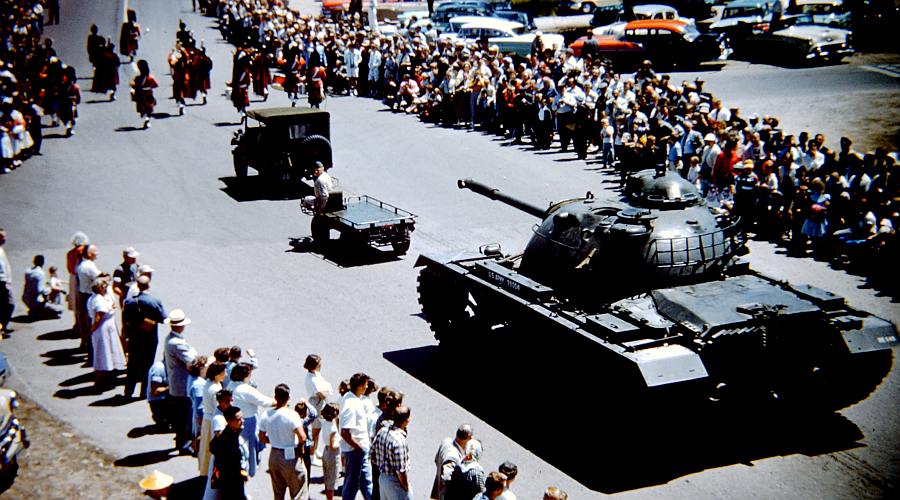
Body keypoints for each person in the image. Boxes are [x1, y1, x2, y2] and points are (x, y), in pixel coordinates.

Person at [259, 384, 309, 500]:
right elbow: (302, 437)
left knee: (278, 493)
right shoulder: (292, 415)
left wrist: (274, 441)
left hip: (274, 455)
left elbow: (261, 437)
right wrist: (298, 447)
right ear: (289, 398)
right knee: (299, 493)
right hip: (290, 454)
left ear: (275, 397)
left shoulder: (266, 415)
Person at [122, 274, 166, 398]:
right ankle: (143, 392)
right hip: (149, 338)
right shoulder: (155, 301)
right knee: (147, 364)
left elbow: (125, 320)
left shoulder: (129, 302)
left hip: (135, 338)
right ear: (148, 285)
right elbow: (163, 318)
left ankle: (128, 392)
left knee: (132, 364)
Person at [228, 362, 274, 477]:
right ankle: (248, 471)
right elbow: (263, 401)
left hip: (235, 420)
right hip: (248, 421)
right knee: (250, 446)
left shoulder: (231, 385)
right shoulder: (245, 389)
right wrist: (277, 402)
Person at [163, 308, 198, 454]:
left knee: (182, 416)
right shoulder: (177, 343)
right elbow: (192, 359)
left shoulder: (171, 339)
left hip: (176, 382)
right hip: (181, 384)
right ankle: (184, 445)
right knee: (185, 416)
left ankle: (182, 441)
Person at [88, 276, 127, 388]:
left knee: (109, 351)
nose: (105, 287)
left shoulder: (101, 297)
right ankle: (99, 380)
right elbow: (98, 317)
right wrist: (92, 329)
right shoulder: (98, 300)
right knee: (102, 353)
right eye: (103, 285)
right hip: (102, 329)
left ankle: (107, 377)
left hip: (107, 327)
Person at [340, 372, 374, 500]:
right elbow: (345, 433)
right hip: (355, 451)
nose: (367, 387)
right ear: (360, 386)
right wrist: (358, 447)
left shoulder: (352, 398)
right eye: (365, 385)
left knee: (364, 483)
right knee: (353, 485)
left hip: (358, 449)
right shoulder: (351, 405)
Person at [372, 405, 412, 500]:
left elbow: (373, 455)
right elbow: (401, 471)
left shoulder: (382, 431)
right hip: (395, 482)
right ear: (407, 421)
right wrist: (406, 488)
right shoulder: (399, 441)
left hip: (382, 478)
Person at [209, 406, 250, 499]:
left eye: (242, 417)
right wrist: (241, 473)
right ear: (229, 421)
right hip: (230, 480)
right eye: (238, 419)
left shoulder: (234, 432)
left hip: (234, 478)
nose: (242, 421)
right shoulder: (227, 439)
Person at [198, 361, 228, 476]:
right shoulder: (215, 389)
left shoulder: (209, 383)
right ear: (217, 375)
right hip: (212, 420)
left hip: (208, 418)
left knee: (206, 449)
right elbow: (219, 407)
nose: (225, 374)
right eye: (223, 372)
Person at [303, 354, 332, 463]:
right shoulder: (312, 379)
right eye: (319, 364)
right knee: (315, 430)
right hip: (316, 403)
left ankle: (315, 450)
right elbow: (322, 395)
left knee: (318, 428)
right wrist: (326, 390)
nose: (321, 365)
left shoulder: (315, 374)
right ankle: (312, 455)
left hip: (318, 402)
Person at [431, 424, 473, 500]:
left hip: (436, 490)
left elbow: (436, 459)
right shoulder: (453, 456)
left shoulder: (446, 441)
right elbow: (446, 478)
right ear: (469, 438)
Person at [76, 245, 101, 355]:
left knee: (85, 322)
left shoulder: (82, 264)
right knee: (91, 322)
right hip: (88, 295)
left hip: (83, 294)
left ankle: (86, 343)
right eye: (95, 252)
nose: (97, 254)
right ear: (89, 254)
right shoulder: (89, 266)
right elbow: (100, 278)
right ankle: (92, 350)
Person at [309, 161, 334, 248]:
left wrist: (321, 208)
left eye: (316, 170)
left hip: (323, 202)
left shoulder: (320, 180)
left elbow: (324, 196)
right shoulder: (326, 175)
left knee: (306, 200)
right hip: (330, 200)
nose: (315, 172)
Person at [320, 402, 341, 500]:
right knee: (332, 478)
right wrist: (340, 441)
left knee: (327, 476)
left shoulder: (325, 423)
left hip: (325, 451)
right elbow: (333, 445)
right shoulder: (332, 428)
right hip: (332, 453)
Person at [131, 59, 159, 129]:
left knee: (142, 106)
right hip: (149, 94)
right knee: (150, 107)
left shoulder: (137, 78)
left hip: (140, 95)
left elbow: (134, 85)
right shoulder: (150, 78)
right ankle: (147, 119)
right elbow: (156, 85)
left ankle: (144, 115)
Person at [0, 230, 14, 333]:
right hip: (2, 283)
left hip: (4, 282)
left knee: (4, 306)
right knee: (10, 305)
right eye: (2, 237)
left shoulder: (1, 249)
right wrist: (5, 283)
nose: (5, 239)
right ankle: (2, 327)